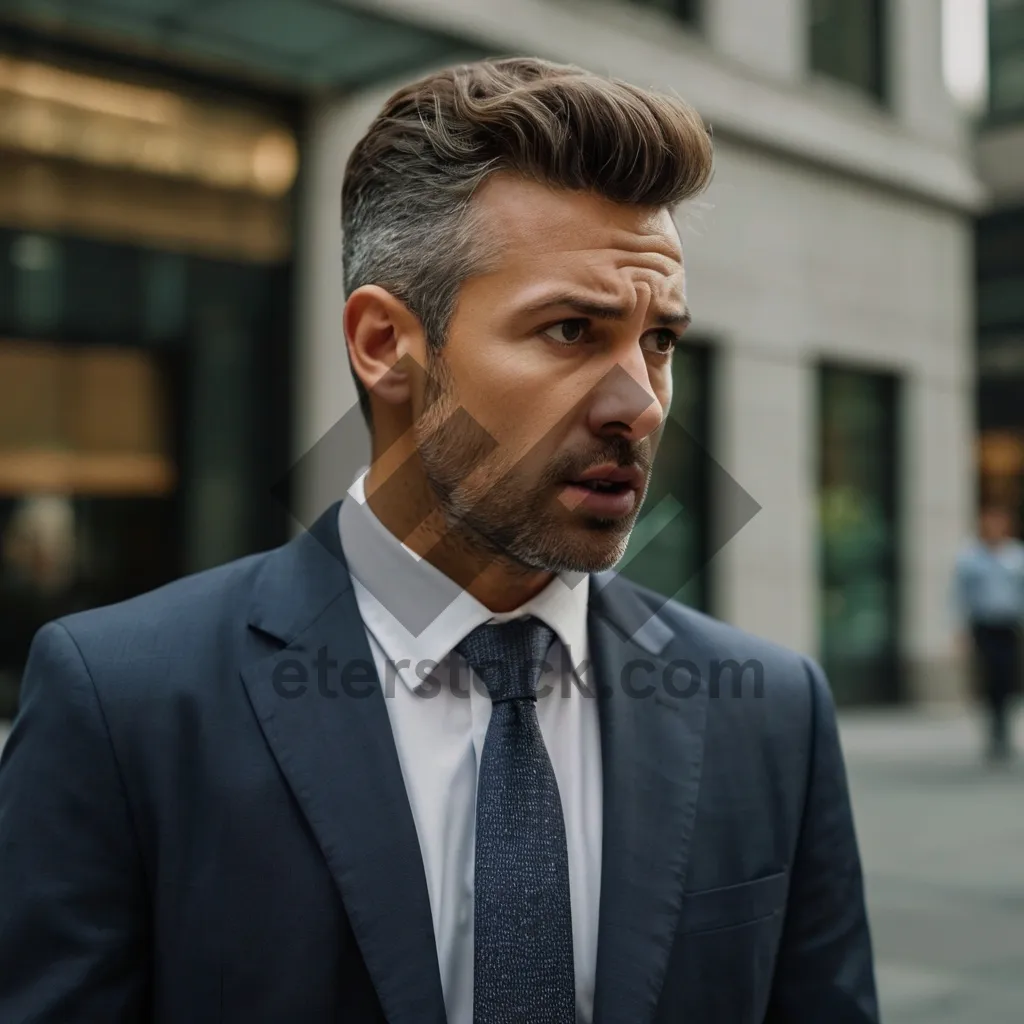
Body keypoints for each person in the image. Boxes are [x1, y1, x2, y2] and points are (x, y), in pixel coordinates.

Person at [0, 58, 879, 1023]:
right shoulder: (122, 705)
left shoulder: (770, 712)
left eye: (659, 340)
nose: (641, 403)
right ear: (385, 345)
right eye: (572, 330)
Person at [953, 501, 1024, 762]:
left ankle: (1004, 730)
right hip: (983, 626)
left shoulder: (1016, 557)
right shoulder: (970, 558)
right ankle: (993, 731)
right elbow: (960, 595)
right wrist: (960, 630)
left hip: (1009, 625)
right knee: (989, 678)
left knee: (1007, 677)